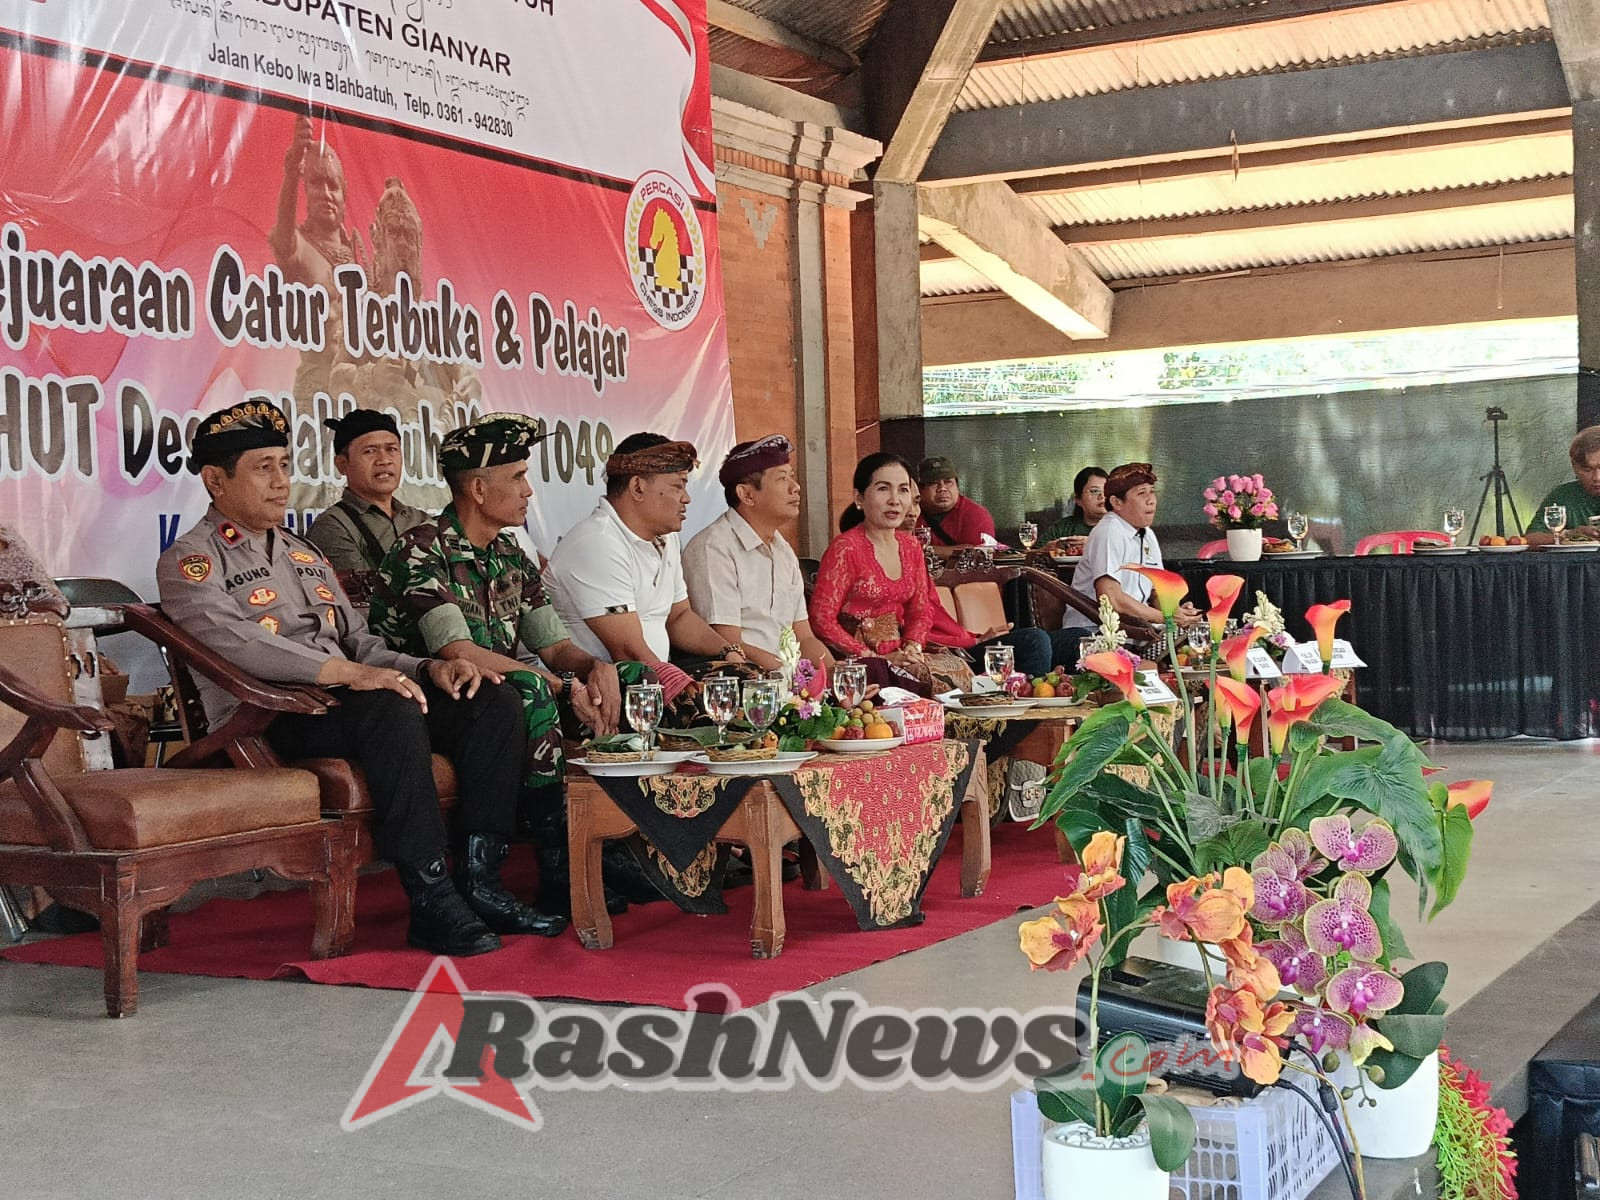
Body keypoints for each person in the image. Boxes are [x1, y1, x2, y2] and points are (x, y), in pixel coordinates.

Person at [157, 399, 557, 957]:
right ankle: (430, 896)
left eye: (283, 464)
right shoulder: (192, 560)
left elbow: (361, 641)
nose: (281, 482)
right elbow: (240, 645)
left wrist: (427, 667)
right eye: (262, 468)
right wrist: (354, 674)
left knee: (491, 699)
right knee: (389, 709)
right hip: (276, 715)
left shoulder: (303, 553)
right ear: (215, 481)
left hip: (349, 701)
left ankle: (480, 879)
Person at [369, 413, 638, 917]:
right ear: (476, 488)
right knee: (529, 691)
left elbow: (556, 648)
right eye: (517, 477)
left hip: (498, 699)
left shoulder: (510, 555)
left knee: (632, 679)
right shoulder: (422, 550)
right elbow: (459, 653)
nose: (528, 491)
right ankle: (538, 868)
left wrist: (593, 668)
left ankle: (624, 842)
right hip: (430, 703)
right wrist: (558, 684)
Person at [544, 433, 751, 716]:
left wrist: (731, 653)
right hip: (595, 691)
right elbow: (628, 652)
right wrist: (680, 685)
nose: (686, 498)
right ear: (638, 487)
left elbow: (679, 617)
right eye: (678, 486)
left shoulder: (667, 539)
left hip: (653, 676)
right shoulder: (597, 541)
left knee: (743, 679)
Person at [810, 453, 971, 695]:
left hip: (900, 654)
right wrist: (870, 655)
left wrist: (913, 647)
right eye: (884, 489)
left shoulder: (911, 546)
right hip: (858, 660)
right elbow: (822, 620)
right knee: (918, 682)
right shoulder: (845, 548)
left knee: (960, 673)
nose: (895, 500)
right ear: (859, 498)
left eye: (903, 490)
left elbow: (921, 610)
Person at [682, 434, 832, 672]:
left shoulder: (783, 551)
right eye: (782, 479)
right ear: (747, 495)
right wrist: (795, 679)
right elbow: (729, 643)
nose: (796, 487)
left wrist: (834, 674)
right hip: (745, 684)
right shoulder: (714, 547)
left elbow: (804, 638)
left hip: (790, 685)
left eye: (791, 477)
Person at [883, 499, 1054, 679]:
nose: (913, 512)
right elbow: (912, 633)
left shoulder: (912, 555)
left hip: (969, 641)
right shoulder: (883, 569)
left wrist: (977, 637)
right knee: (1034, 641)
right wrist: (974, 640)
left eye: (917, 502)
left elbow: (933, 618)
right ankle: (1024, 698)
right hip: (954, 652)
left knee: (1075, 638)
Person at [1063, 461, 1202, 634]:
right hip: (1094, 632)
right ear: (1116, 502)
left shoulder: (1148, 534)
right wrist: (1166, 618)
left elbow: (1157, 591)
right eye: (1142, 493)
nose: (1151, 500)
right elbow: (1111, 599)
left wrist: (1177, 611)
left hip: (1134, 629)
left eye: (1152, 492)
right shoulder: (1109, 531)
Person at [305, 409, 429, 574]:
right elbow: (361, 596)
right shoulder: (333, 527)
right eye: (370, 451)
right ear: (342, 464)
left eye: (391, 449)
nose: (384, 460)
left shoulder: (421, 520)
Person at [1526, 425, 1600, 544]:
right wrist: (1569, 535)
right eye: (1587, 470)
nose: (1597, 477)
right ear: (1575, 467)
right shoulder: (1563, 496)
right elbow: (1531, 539)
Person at [916, 456, 996, 554]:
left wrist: (922, 550)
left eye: (948, 482)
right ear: (920, 490)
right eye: (933, 483)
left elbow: (979, 553)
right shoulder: (910, 513)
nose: (942, 488)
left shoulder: (975, 514)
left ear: (957, 486)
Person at [1045, 466, 1108, 544]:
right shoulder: (1063, 528)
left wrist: (1092, 543)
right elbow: (1034, 552)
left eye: (1106, 490)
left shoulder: (1121, 525)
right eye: (1095, 491)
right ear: (1078, 499)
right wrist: (1047, 549)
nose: (1102, 496)